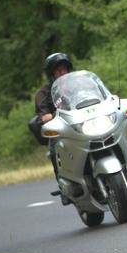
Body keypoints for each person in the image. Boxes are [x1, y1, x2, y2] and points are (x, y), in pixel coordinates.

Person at [33, 52, 73, 203]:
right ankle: (64, 186)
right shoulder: (43, 93)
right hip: (61, 130)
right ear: (52, 74)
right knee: (54, 150)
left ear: (69, 69)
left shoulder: (81, 84)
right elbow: (42, 111)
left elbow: (95, 93)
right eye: (57, 70)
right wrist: (45, 116)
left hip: (81, 124)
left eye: (63, 69)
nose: (61, 73)